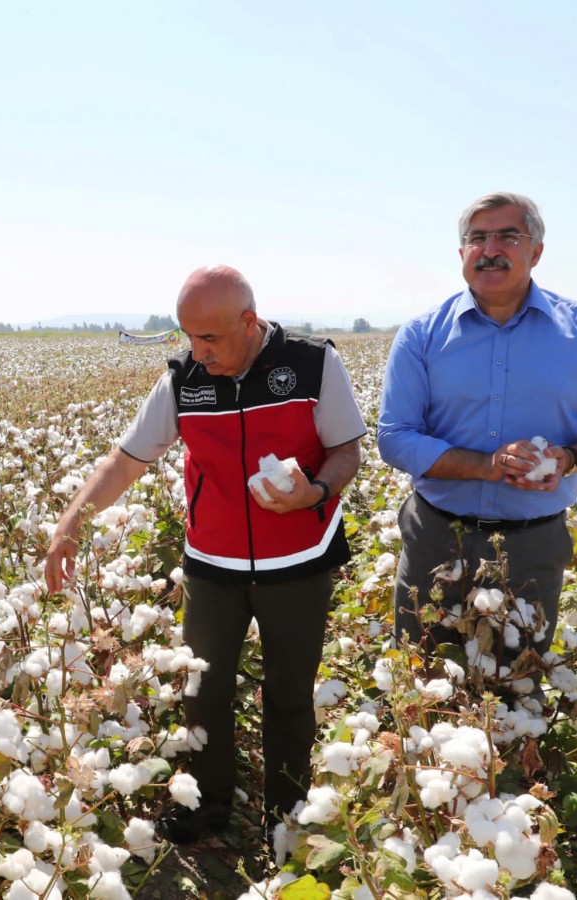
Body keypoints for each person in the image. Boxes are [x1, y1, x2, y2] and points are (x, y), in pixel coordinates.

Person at [44, 265, 366, 843]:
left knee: (290, 696)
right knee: (202, 691)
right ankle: (208, 803)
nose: (198, 351)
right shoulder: (182, 381)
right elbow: (124, 463)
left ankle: (287, 817)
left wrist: (315, 492)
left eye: (210, 338)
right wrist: (71, 525)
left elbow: (347, 451)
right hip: (212, 568)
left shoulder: (315, 365)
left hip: (300, 563)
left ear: (249, 322)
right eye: (188, 337)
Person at [378, 191, 577, 676]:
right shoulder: (421, 334)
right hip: (437, 535)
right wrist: (486, 465)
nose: (490, 248)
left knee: (516, 684)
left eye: (507, 236)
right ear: (462, 254)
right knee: (421, 676)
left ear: (536, 251)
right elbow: (394, 437)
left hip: (532, 544)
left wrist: (570, 458)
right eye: (477, 238)